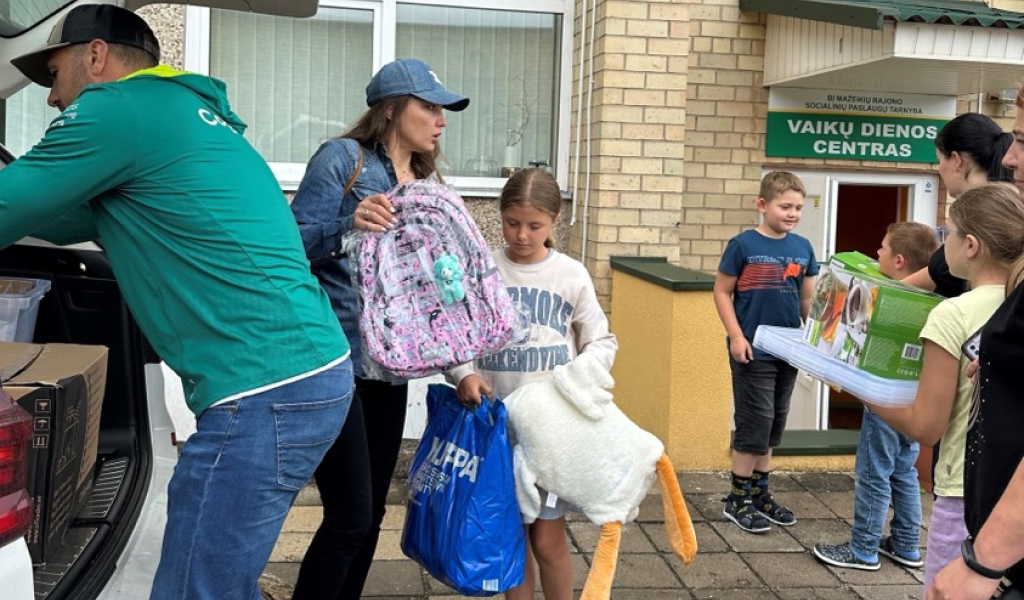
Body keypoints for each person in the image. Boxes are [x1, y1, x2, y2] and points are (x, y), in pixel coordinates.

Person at [0, 6, 354, 600]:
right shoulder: (183, 117)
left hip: (263, 391)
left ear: (94, 56)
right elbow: (52, 215)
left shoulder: (117, 108)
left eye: (54, 75)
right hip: (302, 373)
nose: (50, 98)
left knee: (197, 589)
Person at [287, 58, 469, 600]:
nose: (440, 120)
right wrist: (350, 225)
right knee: (349, 515)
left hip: (392, 367)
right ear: (390, 110)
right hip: (338, 361)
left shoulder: (426, 181)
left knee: (369, 522)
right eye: (429, 107)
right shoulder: (343, 159)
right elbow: (291, 245)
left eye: (443, 110)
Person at [449, 167, 618, 600]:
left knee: (546, 539)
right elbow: (454, 333)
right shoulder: (482, 269)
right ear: (500, 217)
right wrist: (463, 372)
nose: (521, 235)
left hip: (550, 432)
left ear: (554, 222)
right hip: (495, 428)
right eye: (512, 223)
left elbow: (600, 339)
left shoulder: (571, 274)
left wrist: (582, 376)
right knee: (511, 537)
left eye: (534, 226)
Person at [862, 183, 1024, 591]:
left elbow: (925, 426)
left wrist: (860, 390)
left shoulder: (950, 313)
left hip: (965, 494)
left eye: (944, 233)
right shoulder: (1014, 300)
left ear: (970, 245)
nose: (940, 243)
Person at [928, 89, 1024, 600]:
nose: (1009, 156)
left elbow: (926, 421)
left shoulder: (955, 311)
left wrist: (980, 564)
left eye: (1023, 140)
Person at [812, 222, 937, 570]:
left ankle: (863, 548)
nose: (876, 253)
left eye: (881, 248)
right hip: (913, 400)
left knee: (873, 472)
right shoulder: (928, 297)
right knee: (903, 471)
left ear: (898, 261)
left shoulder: (885, 298)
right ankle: (906, 544)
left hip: (882, 403)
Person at [712, 171, 819, 534]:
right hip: (752, 351)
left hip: (788, 351)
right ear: (762, 205)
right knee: (754, 423)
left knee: (773, 424)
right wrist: (735, 336)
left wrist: (816, 341)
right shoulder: (741, 244)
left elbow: (807, 299)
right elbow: (722, 292)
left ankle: (759, 493)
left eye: (798, 208)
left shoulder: (803, 247)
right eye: (784, 206)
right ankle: (737, 498)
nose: (792, 213)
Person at [903, 113, 1013, 297]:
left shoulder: (985, 219)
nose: (939, 169)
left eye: (939, 160)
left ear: (956, 160)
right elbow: (932, 275)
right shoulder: (986, 210)